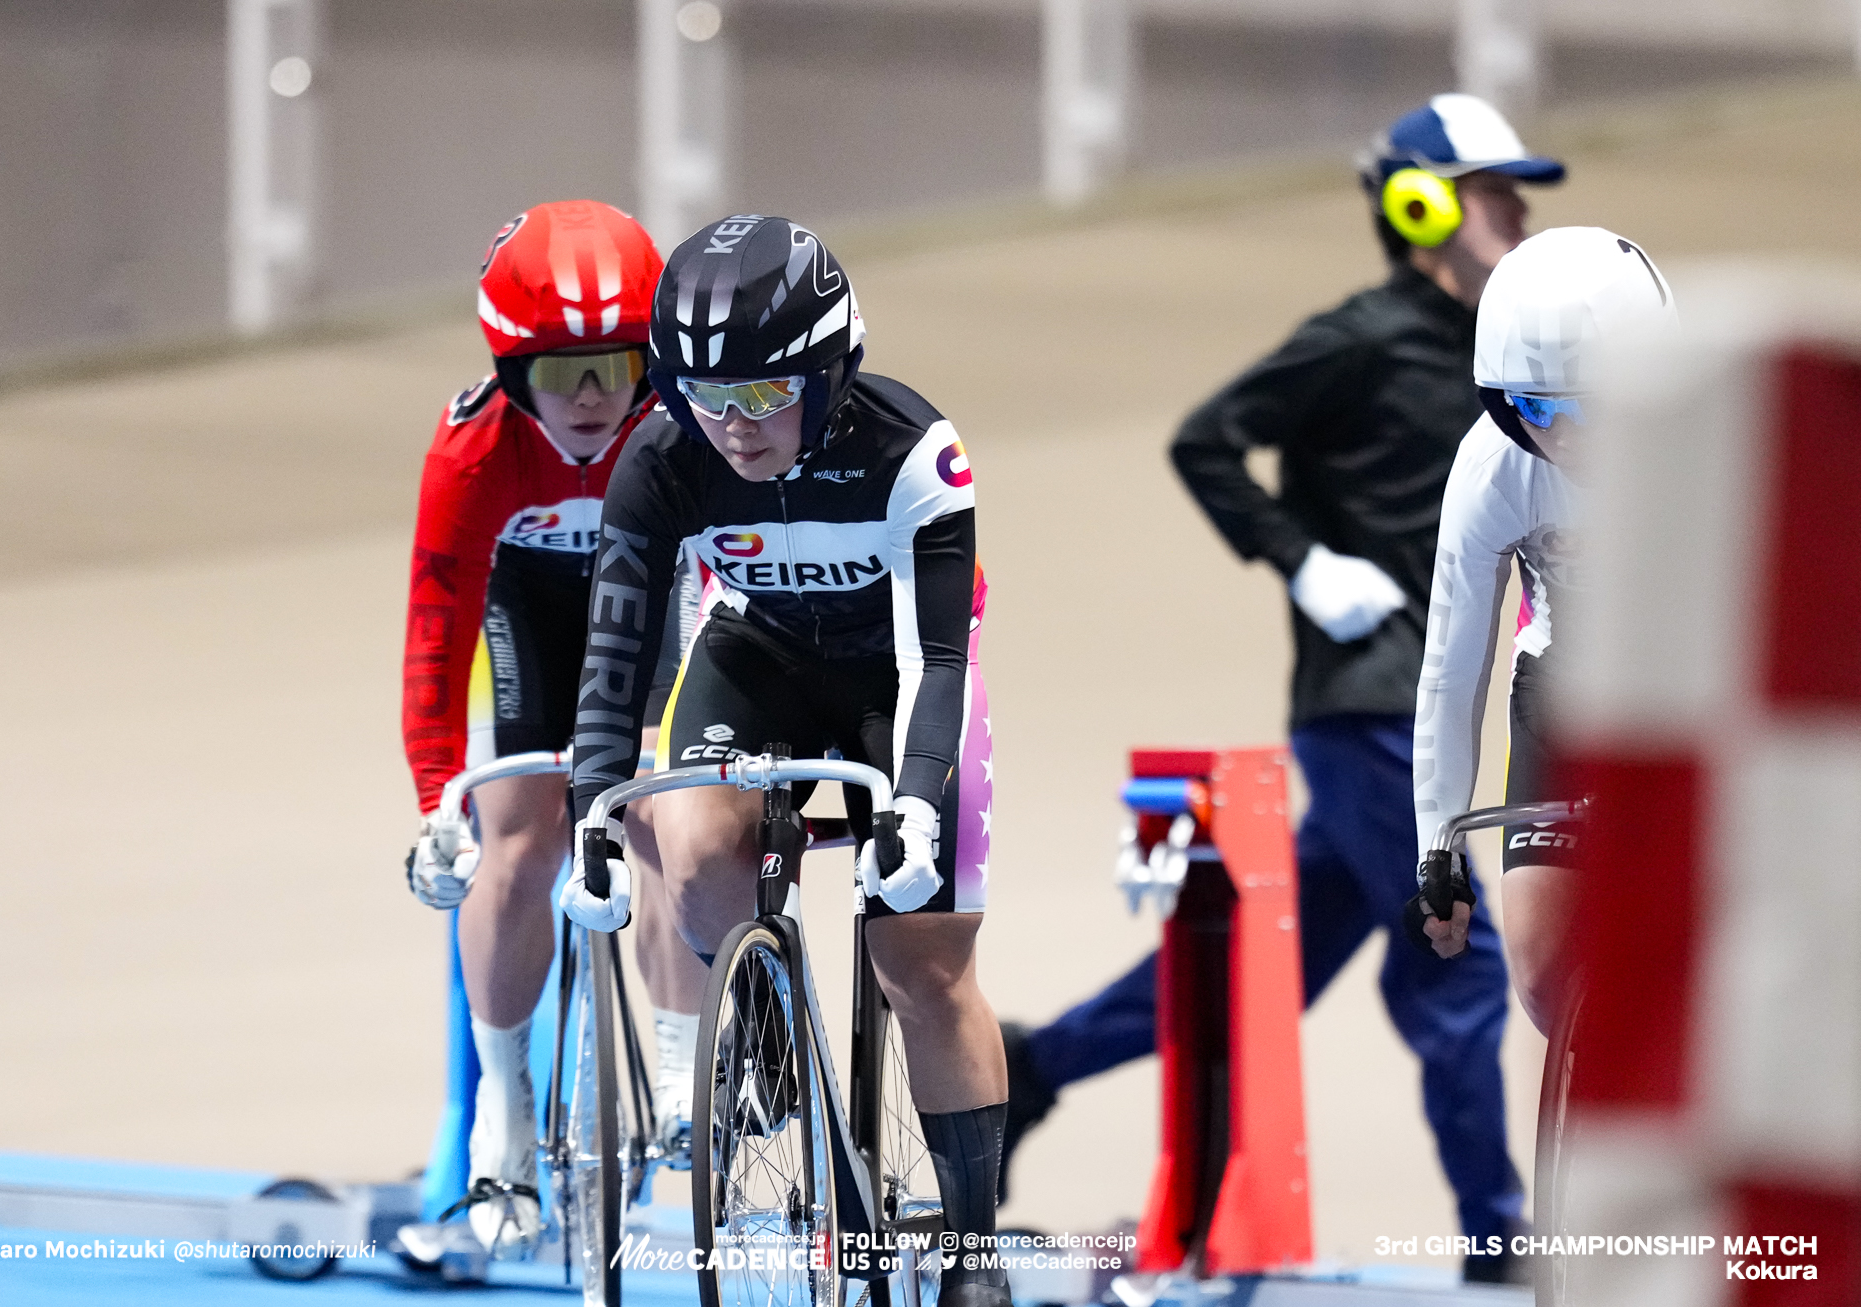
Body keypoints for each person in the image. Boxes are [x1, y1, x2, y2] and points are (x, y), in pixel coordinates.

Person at [997, 94, 1561, 1283]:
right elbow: (1206, 438)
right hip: (1370, 704)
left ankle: (1030, 1067)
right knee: (1453, 963)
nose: (1516, 211)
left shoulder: (1508, 360)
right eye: (1493, 191)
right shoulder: (1356, 337)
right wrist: (1301, 559)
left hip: (1432, 693)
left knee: (1261, 959)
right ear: (1417, 206)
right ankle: (1501, 1241)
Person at [560, 214, 1011, 1307]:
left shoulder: (911, 449)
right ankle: (761, 1018)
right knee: (691, 836)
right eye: (706, 396)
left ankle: (971, 1250)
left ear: (827, 373)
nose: (733, 426)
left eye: (763, 396)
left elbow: (935, 658)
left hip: (888, 677)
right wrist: (590, 810)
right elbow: (616, 654)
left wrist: (911, 801)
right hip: (754, 652)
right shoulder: (661, 462)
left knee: (922, 960)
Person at [395, 200, 709, 1261]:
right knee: (518, 837)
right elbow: (436, 634)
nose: (585, 401)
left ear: (653, 366)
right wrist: (438, 792)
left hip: (659, 598)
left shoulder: (690, 425)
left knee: (669, 814)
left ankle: (679, 1073)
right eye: (558, 373)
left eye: (613, 370)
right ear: (506, 365)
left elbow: (730, 579)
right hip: (526, 605)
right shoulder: (474, 450)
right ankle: (503, 1111)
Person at [1409, 226, 1677, 1040]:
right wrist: (1437, 848)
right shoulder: (1494, 470)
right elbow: (1454, 669)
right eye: (1537, 409)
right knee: (1539, 961)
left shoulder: (1710, 434)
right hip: (1565, 677)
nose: (1566, 437)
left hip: (1693, 670)